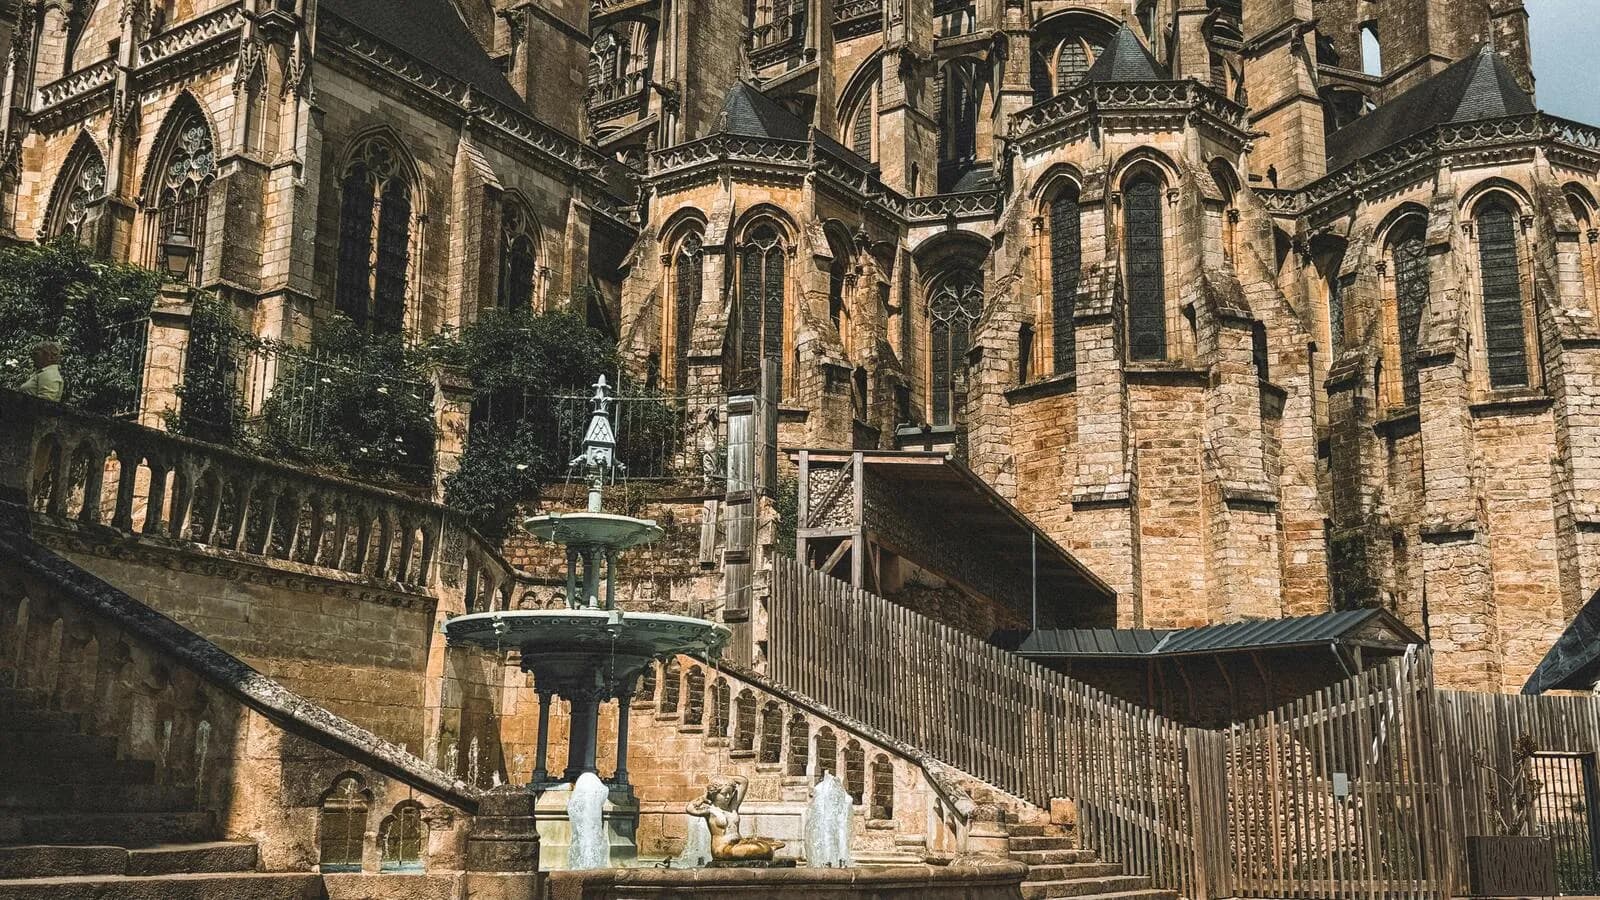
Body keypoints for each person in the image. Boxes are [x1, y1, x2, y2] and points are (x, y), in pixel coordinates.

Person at [685, 775, 786, 861]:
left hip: (738, 843)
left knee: (761, 846)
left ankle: (767, 848)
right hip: (722, 849)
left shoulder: (733, 807)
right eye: (724, 794)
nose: (728, 797)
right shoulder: (710, 810)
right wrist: (704, 797)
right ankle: (768, 849)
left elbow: (743, 782)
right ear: (714, 793)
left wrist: (725, 779)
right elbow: (690, 809)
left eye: (730, 793)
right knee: (758, 848)